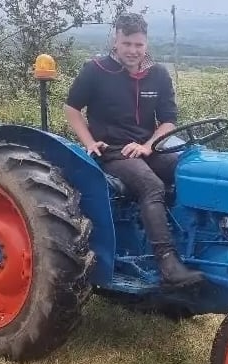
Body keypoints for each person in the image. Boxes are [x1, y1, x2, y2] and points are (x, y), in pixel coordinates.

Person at [63, 12, 204, 289]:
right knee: (151, 186)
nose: (133, 50)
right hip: (112, 152)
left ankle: (195, 246)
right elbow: (71, 109)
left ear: (146, 44)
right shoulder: (95, 70)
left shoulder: (158, 74)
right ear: (116, 40)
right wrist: (90, 142)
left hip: (146, 147)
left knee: (188, 170)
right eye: (127, 43)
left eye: (138, 45)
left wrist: (148, 145)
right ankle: (167, 263)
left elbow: (168, 121)